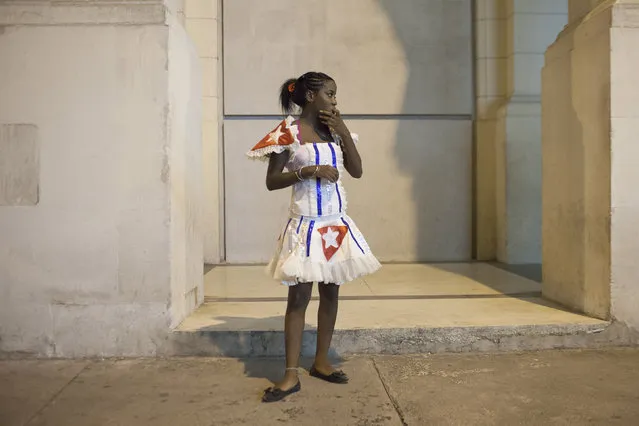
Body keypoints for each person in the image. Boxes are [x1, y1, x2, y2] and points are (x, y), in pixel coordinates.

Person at [247, 71, 381, 403]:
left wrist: (344, 129)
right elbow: (272, 181)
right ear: (310, 97)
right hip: (305, 227)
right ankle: (290, 375)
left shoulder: (334, 132)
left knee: (331, 295)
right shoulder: (287, 133)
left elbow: (358, 170)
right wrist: (308, 171)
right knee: (298, 299)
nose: (335, 100)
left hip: (334, 226)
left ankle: (321, 361)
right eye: (330, 94)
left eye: (336, 95)